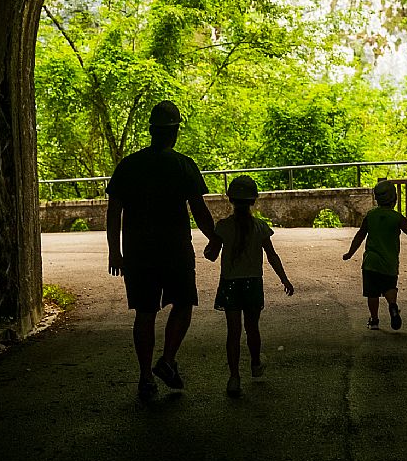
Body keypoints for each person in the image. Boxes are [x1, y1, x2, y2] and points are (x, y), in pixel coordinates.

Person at [106, 100, 219, 400]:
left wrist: (114, 252)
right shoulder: (183, 165)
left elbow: (113, 209)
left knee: (144, 312)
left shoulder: (129, 165)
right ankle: (167, 360)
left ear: (152, 131)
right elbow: (199, 209)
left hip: (138, 253)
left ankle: (145, 377)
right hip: (175, 251)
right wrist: (215, 238)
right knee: (183, 303)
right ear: (174, 132)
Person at [203, 175, 293, 398]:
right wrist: (284, 279)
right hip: (253, 283)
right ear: (254, 200)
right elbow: (272, 256)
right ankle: (255, 363)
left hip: (230, 284)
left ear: (231, 200)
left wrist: (211, 244)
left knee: (233, 332)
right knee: (252, 328)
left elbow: (211, 255)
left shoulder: (223, 227)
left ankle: (234, 377)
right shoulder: (260, 227)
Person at [343, 179, 407, 331]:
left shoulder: (371, 215)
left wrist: (350, 253)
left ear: (377, 199)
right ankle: (392, 306)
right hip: (390, 263)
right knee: (389, 287)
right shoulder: (397, 218)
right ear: (395, 199)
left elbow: (360, 236)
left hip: (371, 262)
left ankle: (374, 320)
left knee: (372, 293)